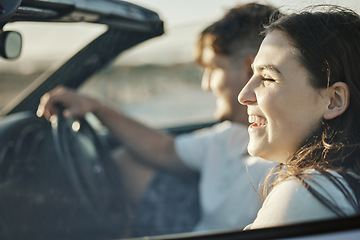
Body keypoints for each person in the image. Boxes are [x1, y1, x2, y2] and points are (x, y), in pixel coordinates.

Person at [37, 3, 279, 236]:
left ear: (249, 70)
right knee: (124, 161)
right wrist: (97, 108)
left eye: (214, 69)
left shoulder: (282, 168)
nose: (206, 85)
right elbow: (165, 149)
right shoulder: (229, 135)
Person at [238, 5, 360, 229]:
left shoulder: (307, 192)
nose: (243, 95)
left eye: (268, 78)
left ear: (334, 100)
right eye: (252, 74)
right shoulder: (342, 185)